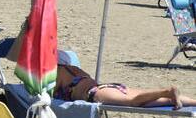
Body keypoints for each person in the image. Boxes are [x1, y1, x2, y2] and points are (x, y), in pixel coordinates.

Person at [54, 51, 195, 109]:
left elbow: (47, 95)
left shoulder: (56, 74)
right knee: (147, 100)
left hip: (95, 94)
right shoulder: (73, 69)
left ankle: (167, 91)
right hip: (107, 86)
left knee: (134, 102)